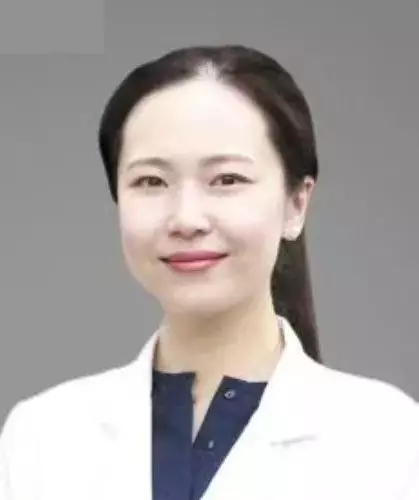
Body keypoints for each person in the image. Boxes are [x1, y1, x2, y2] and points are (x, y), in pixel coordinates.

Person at [0, 44, 418, 500]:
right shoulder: (41, 437)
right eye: (151, 181)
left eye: (227, 180)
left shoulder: (389, 441)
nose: (186, 219)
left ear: (297, 203)